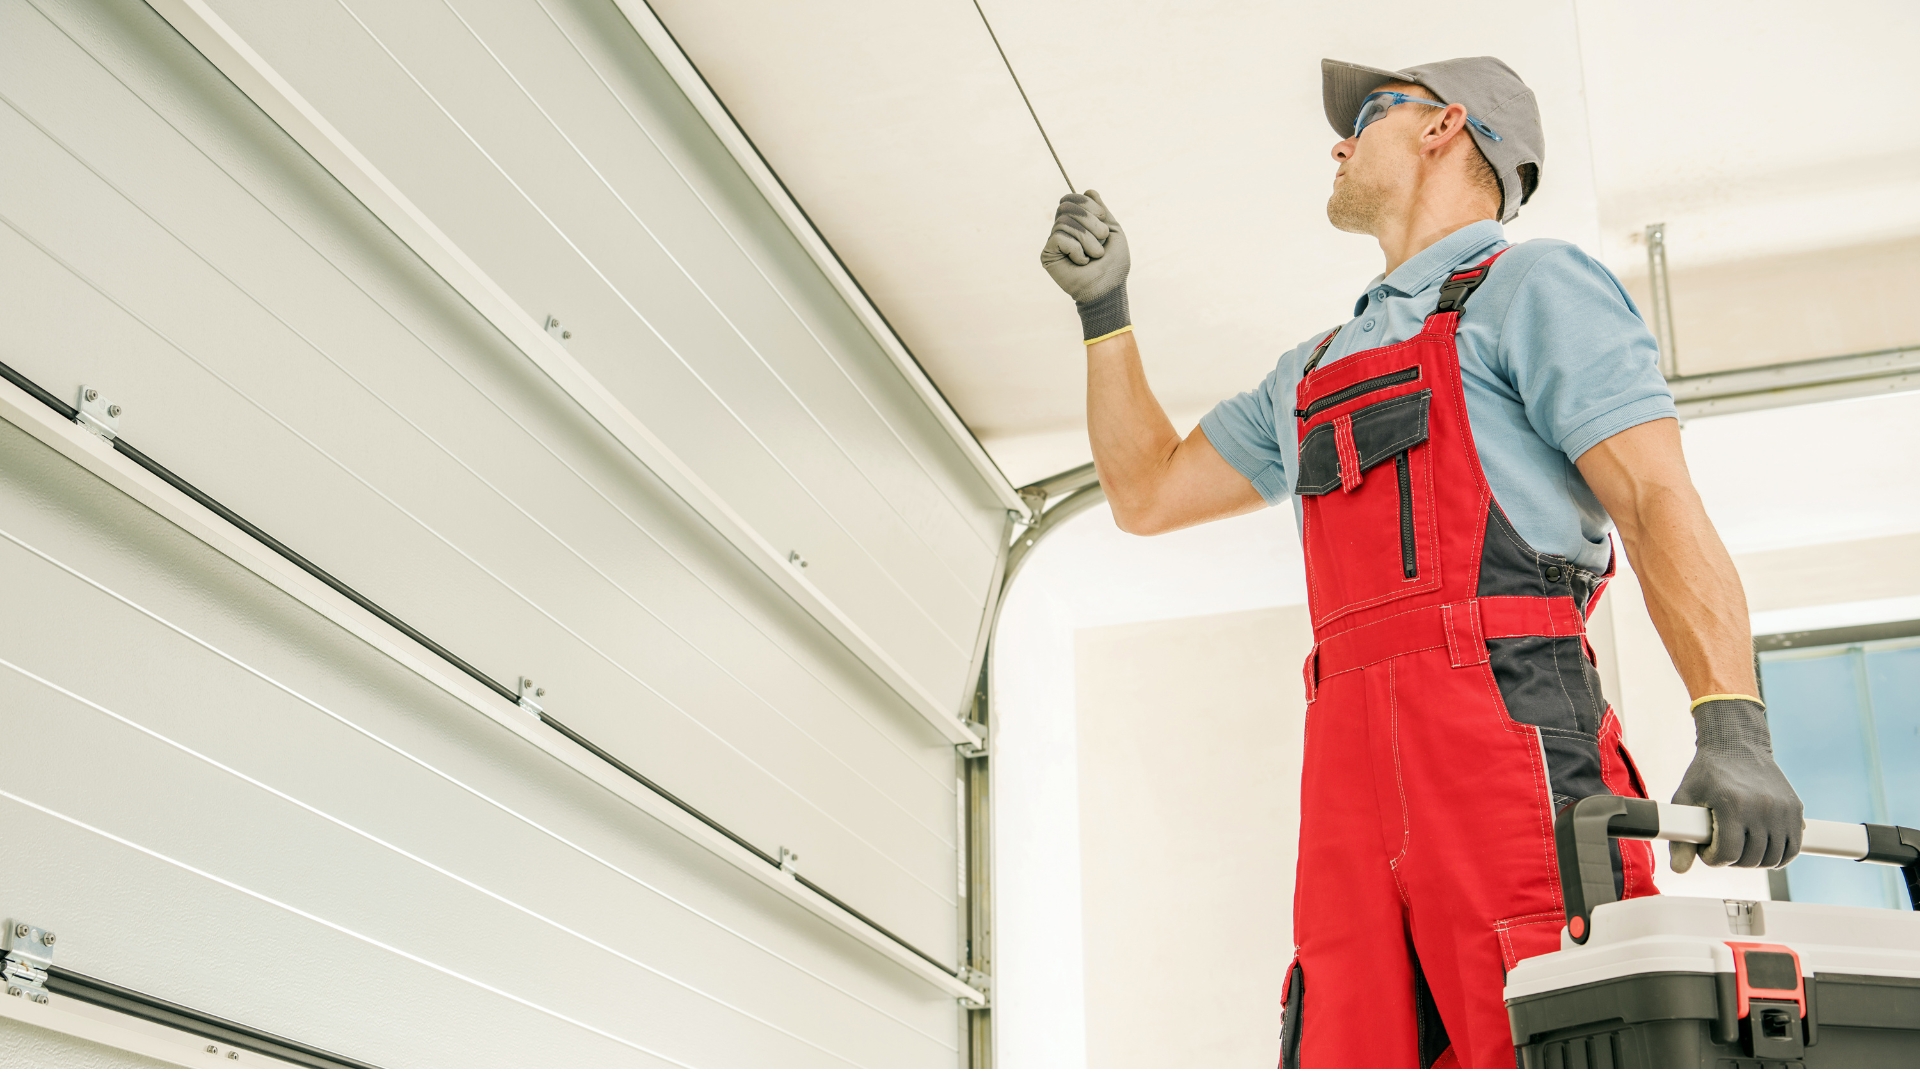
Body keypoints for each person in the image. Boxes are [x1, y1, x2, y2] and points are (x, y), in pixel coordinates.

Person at [1039, 56, 1804, 1068]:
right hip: (1346, 766)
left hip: (1505, 732)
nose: (1338, 141)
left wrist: (1732, 722)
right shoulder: (1309, 368)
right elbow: (1147, 493)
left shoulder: (1533, 285)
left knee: (1547, 1018)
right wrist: (1106, 314)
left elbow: (1656, 500)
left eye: (1365, 115)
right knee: (1350, 1035)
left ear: (1445, 126)